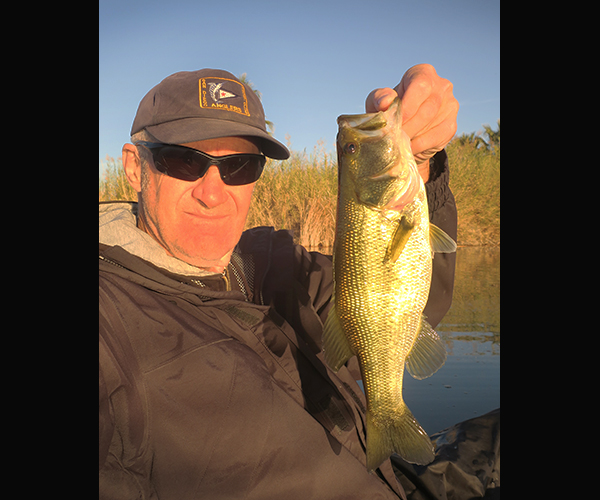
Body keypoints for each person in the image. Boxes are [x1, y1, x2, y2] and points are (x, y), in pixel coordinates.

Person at [99, 65, 460, 499]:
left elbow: (412, 302)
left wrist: (422, 162)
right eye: (184, 160)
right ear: (135, 169)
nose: (212, 192)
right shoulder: (108, 321)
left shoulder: (277, 262)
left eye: (240, 166)